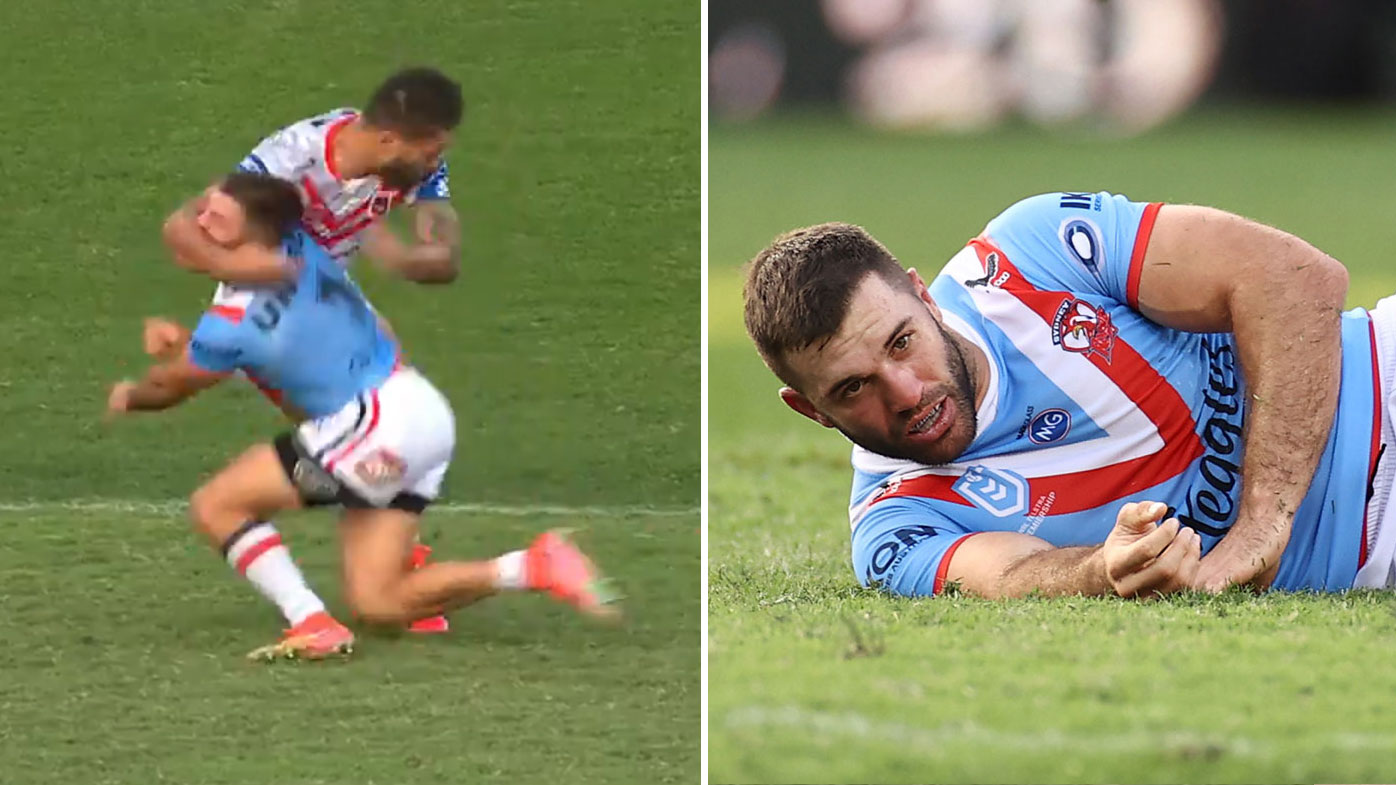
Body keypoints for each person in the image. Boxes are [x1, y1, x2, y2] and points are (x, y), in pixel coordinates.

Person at [741, 190, 1396, 599]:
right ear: (812, 410)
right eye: (855, 387)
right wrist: (1101, 568)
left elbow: (1294, 277)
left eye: (902, 342)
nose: (906, 392)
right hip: (1373, 564)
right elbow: (1010, 576)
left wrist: (1263, 521)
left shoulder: (1031, 256)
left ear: (925, 297)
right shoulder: (895, 526)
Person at [108, 172, 618, 660]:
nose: (199, 226)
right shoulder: (304, 247)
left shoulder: (230, 321)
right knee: (379, 603)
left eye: (216, 221)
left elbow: (172, 387)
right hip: (421, 409)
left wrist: (131, 395)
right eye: (203, 212)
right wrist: (184, 348)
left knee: (217, 505)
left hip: (373, 426)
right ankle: (533, 566)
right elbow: (280, 355)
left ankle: (312, 623)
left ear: (254, 235)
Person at [161, 66, 467, 631]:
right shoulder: (292, 157)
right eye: (431, 150)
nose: (436, 162)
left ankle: (394, 564)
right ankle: (348, 593)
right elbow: (181, 227)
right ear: (389, 140)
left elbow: (444, 252)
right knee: (337, 421)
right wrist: (253, 270)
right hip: (272, 302)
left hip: (329, 293)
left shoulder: (413, 164)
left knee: (383, 398)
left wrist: (409, 259)